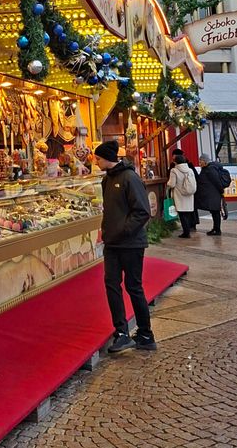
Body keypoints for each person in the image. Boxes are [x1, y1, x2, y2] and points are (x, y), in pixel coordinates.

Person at [93, 139, 156, 353]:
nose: (96, 162)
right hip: (112, 243)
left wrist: (123, 231)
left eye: (98, 158)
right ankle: (121, 332)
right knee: (112, 285)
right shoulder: (106, 181)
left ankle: (146, 333)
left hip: (131, 243)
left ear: (107, 159)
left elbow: (142, 211)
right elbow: (110, 211)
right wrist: (106, 231)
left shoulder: (130, 177)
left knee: (133, 286)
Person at [166, 153, 197, 238]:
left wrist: (167, 183)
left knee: (182, 214)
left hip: (179, 195)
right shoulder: (190, 170)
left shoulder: (174, 170)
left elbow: (172, 184)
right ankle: (188, 230)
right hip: (189, 194)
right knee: (187, 213)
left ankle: (186, 233)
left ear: (175, 162)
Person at [196, 153, 227, 236]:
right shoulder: (207, 168)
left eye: (201, 161)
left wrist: (221, 191)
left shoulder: (210, 169)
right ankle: (215, 228)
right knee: (214, 212)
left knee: (215, 212)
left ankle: (217, 230)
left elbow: (216, 181)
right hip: (212, 194)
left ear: (205, 161)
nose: (199, 163)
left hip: (214, 194)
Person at [171, 148, 199, 230]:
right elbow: (196, 177)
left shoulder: (174, 168)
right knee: (190, 209)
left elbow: (172, 183)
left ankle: (186, 230)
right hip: (190, 191)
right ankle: (192, 225)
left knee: (182, 212)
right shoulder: (189, 167)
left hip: (179, 193)